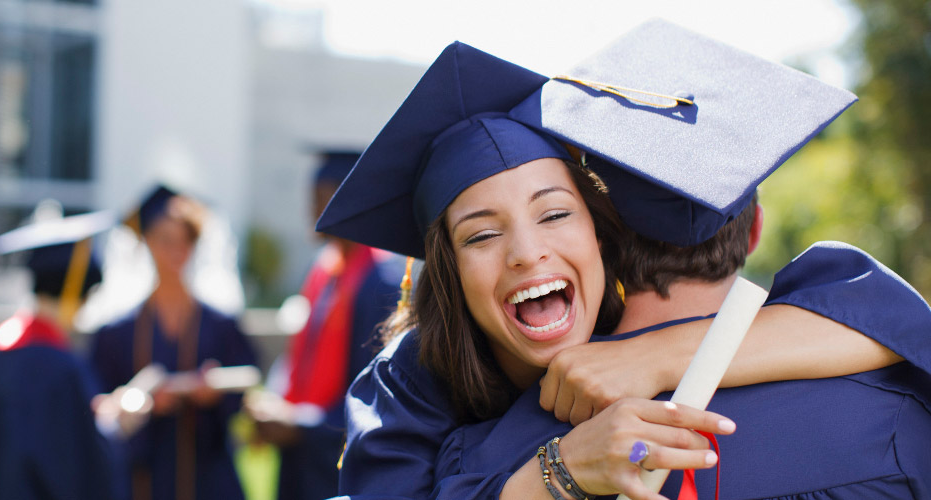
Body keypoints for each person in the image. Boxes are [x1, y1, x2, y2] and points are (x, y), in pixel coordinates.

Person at [315, 38, 926, 500]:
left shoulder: (484, 461)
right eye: (481, 234)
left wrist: (651, 355)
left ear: (603, 237)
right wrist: (561, 472)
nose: (526, 253)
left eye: (553, 214)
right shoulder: (417, 390)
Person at [245, 151, 404, 500]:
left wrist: (302, 424)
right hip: (301, 454)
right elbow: (300, 356)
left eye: (324, 198)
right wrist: (275, 402)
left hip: (337, 460)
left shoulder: (381, 282)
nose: (313, 211)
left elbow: (375, 392)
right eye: (313, 197)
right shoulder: (325, 270)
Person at [89, 185, 258, 500]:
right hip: (141, 474)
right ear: (146, 242)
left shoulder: (220, 325)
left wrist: (214, 394)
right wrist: (137, 402)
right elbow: (99, 400)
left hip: (206, 473)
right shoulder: (118, 330)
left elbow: (245, 385)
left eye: (185, 242)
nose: (175, 253)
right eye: (165, 241)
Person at [0, 209, 125, 500]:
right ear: (73, 290)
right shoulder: (60, 366)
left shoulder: (6, 348)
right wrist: (113, 427)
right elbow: (76, 463)